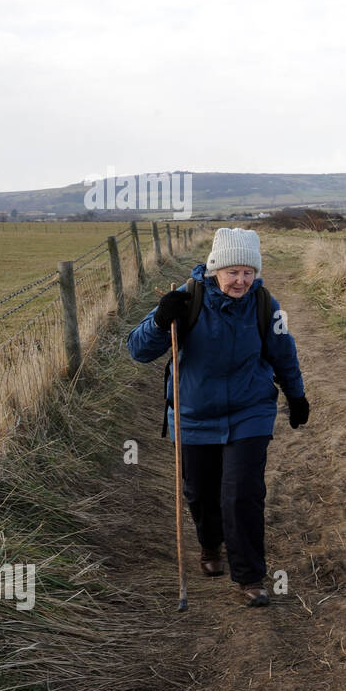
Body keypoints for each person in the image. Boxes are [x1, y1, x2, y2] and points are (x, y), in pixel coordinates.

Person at [127, 227, 309, 607]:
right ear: (215, 269)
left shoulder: (265, 305)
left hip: (250, 412)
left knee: (242, 492)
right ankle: (210, 546)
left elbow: (283, 352)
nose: (241, 280)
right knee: (201, 493)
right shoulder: (186, 299)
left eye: (248, 272)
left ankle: (250, 576)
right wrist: (161, 322)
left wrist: (296, 394)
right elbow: (138, 351)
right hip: (194, 414)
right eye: (233, 272)